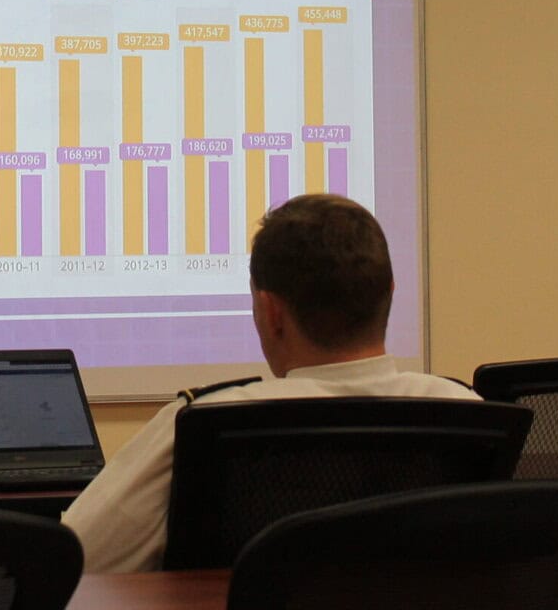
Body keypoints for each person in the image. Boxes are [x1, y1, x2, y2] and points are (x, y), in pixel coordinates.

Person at [60, 194, 477, 572]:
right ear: (389, 292)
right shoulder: (468, 414)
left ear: (270, 311)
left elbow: (71, 557)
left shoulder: (203, 423)